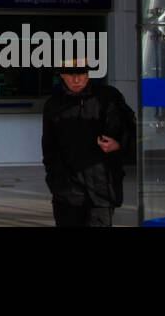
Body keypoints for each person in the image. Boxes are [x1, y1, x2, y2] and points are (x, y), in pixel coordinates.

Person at [41, 58, 135, 227]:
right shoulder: (53, 104)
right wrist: (55, 182)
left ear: (88, 75)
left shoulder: (107, 98)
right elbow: (49, 148)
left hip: (101, 191)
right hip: (67, 192)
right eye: (71, 75)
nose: (76, 80)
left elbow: (130, 130)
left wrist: (118, 145)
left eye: (81, 74)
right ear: (62, 75)